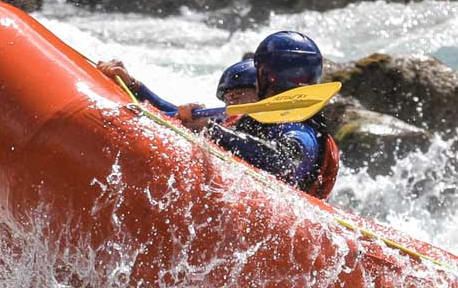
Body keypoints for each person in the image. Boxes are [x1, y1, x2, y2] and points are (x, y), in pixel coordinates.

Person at [98, 31, 340, 199]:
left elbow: (283, 162)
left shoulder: (301, 129)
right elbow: (172, 116)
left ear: (266, 75)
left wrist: (209, 130)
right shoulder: (261, 118)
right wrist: (134, 86)